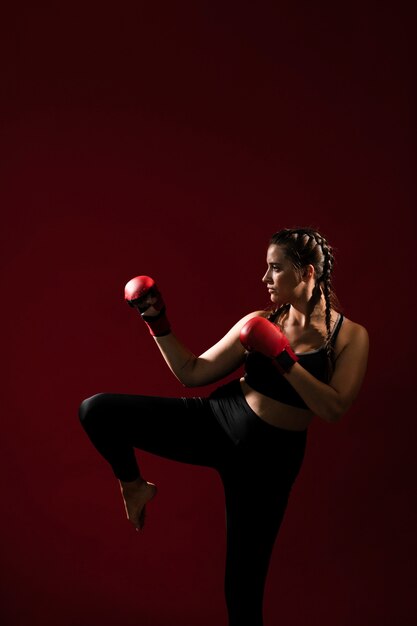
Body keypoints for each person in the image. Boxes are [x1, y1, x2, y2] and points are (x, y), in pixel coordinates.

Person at [79, 227, 369, 626]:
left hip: (269, 463)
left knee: (243, 587)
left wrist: (284, 359)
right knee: (97, 411)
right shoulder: (260, 319)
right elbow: (192, 371)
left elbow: (334, 407)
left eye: (275, 269)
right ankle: (133, 485)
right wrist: (157, 320)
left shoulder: (350, 336)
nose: (264, 279)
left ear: (306, 273)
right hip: (218, 420)